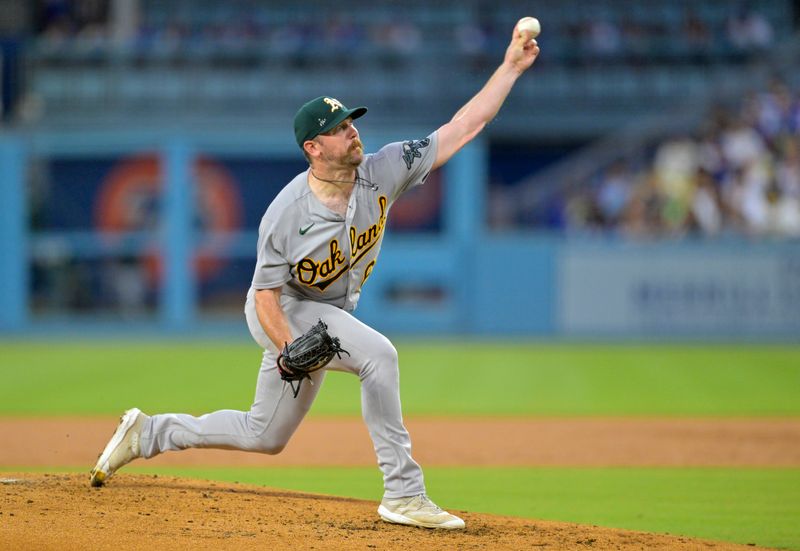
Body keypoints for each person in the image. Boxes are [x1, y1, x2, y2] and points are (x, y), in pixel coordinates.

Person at [89, 19, 540, 530]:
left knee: (266, 434)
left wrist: (509, 68)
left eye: (351, 123)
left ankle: (147, 433)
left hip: (324, 314)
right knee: (380, 358)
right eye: (340, 128)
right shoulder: (286, 213)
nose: (353, 132)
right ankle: (404, 494)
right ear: (313, 148)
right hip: (281, 312)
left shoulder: (384, 168)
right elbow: (263, 297)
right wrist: (285, 349)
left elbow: (462, 125)